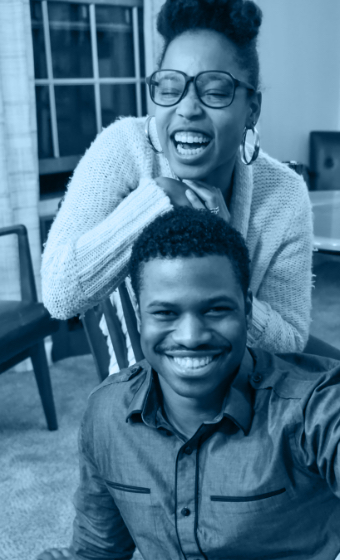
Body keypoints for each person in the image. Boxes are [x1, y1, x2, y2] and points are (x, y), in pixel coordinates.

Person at [40, 208, 340, 560]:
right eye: (165, 313)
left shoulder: (308, 405)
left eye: (215, 309)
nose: (191, 335)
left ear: (247, 309)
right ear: (141, 317)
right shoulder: (106, 414)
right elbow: (96, 551)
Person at [41, 0, 313, 373]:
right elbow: (59, 295)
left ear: (252, 109)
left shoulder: (284, 193)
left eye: (215, 92)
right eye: (170, 87)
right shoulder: (123, 149)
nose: (187, 109)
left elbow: (292, 340)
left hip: (249, 382)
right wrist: (158, 201)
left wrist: (225, 270)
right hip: (144, 390)